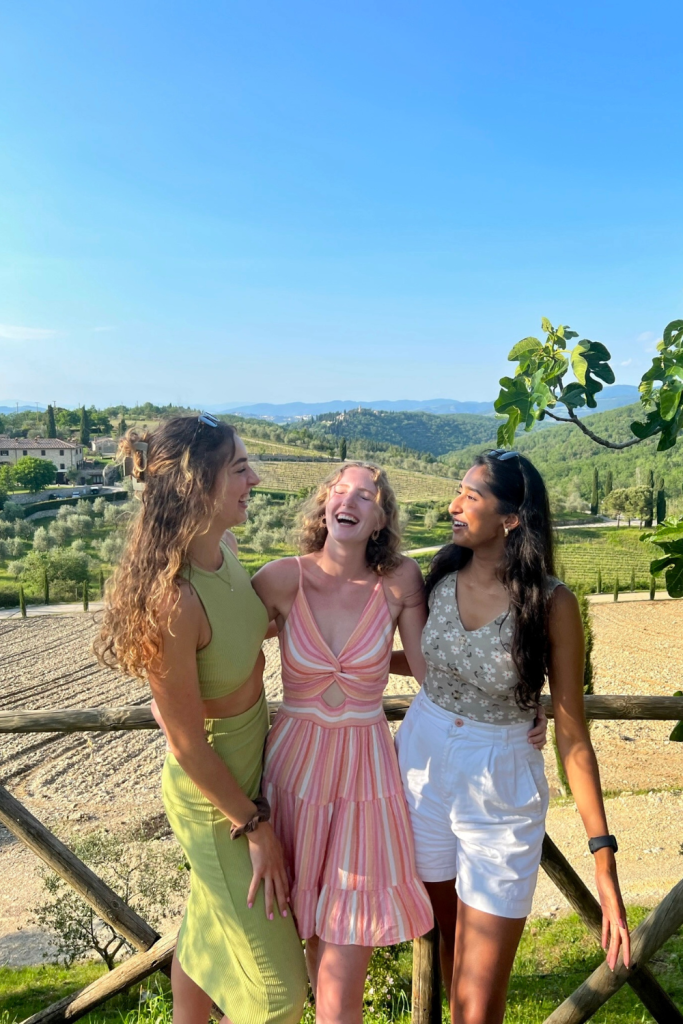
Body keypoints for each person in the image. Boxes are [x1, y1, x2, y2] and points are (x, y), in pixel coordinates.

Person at [250, 461, 546, 1024]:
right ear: (324, 505)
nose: (350, 500)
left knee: (342, 975)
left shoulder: (401, 580)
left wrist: (521, 702)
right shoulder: (280, 578)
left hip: (366, 778)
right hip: (292, 775)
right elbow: (223, 651)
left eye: (366, 496)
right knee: (302, 957)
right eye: (340, 491)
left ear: (382, 518)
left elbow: (434, 668)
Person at [393, 449, 630, 1024]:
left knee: (477, 1004)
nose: (453, 506)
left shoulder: (551, 603)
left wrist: (603, 859)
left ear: (511, 518)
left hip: (498, 782)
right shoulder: (440, 575)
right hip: (421, 764)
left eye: (470, 496)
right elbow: (432, 662)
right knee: (451, 954)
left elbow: (573, 733)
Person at [95, 415, 307, 1024]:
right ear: (197, 485)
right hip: (217, 802)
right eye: (239, 468)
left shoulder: (227, 555)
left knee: (205, 931)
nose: (255, 479)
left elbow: (239, 636)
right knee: (280, 995)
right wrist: (255, 826)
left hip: (249, 774)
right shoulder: (173, 599)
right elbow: (187, 744)